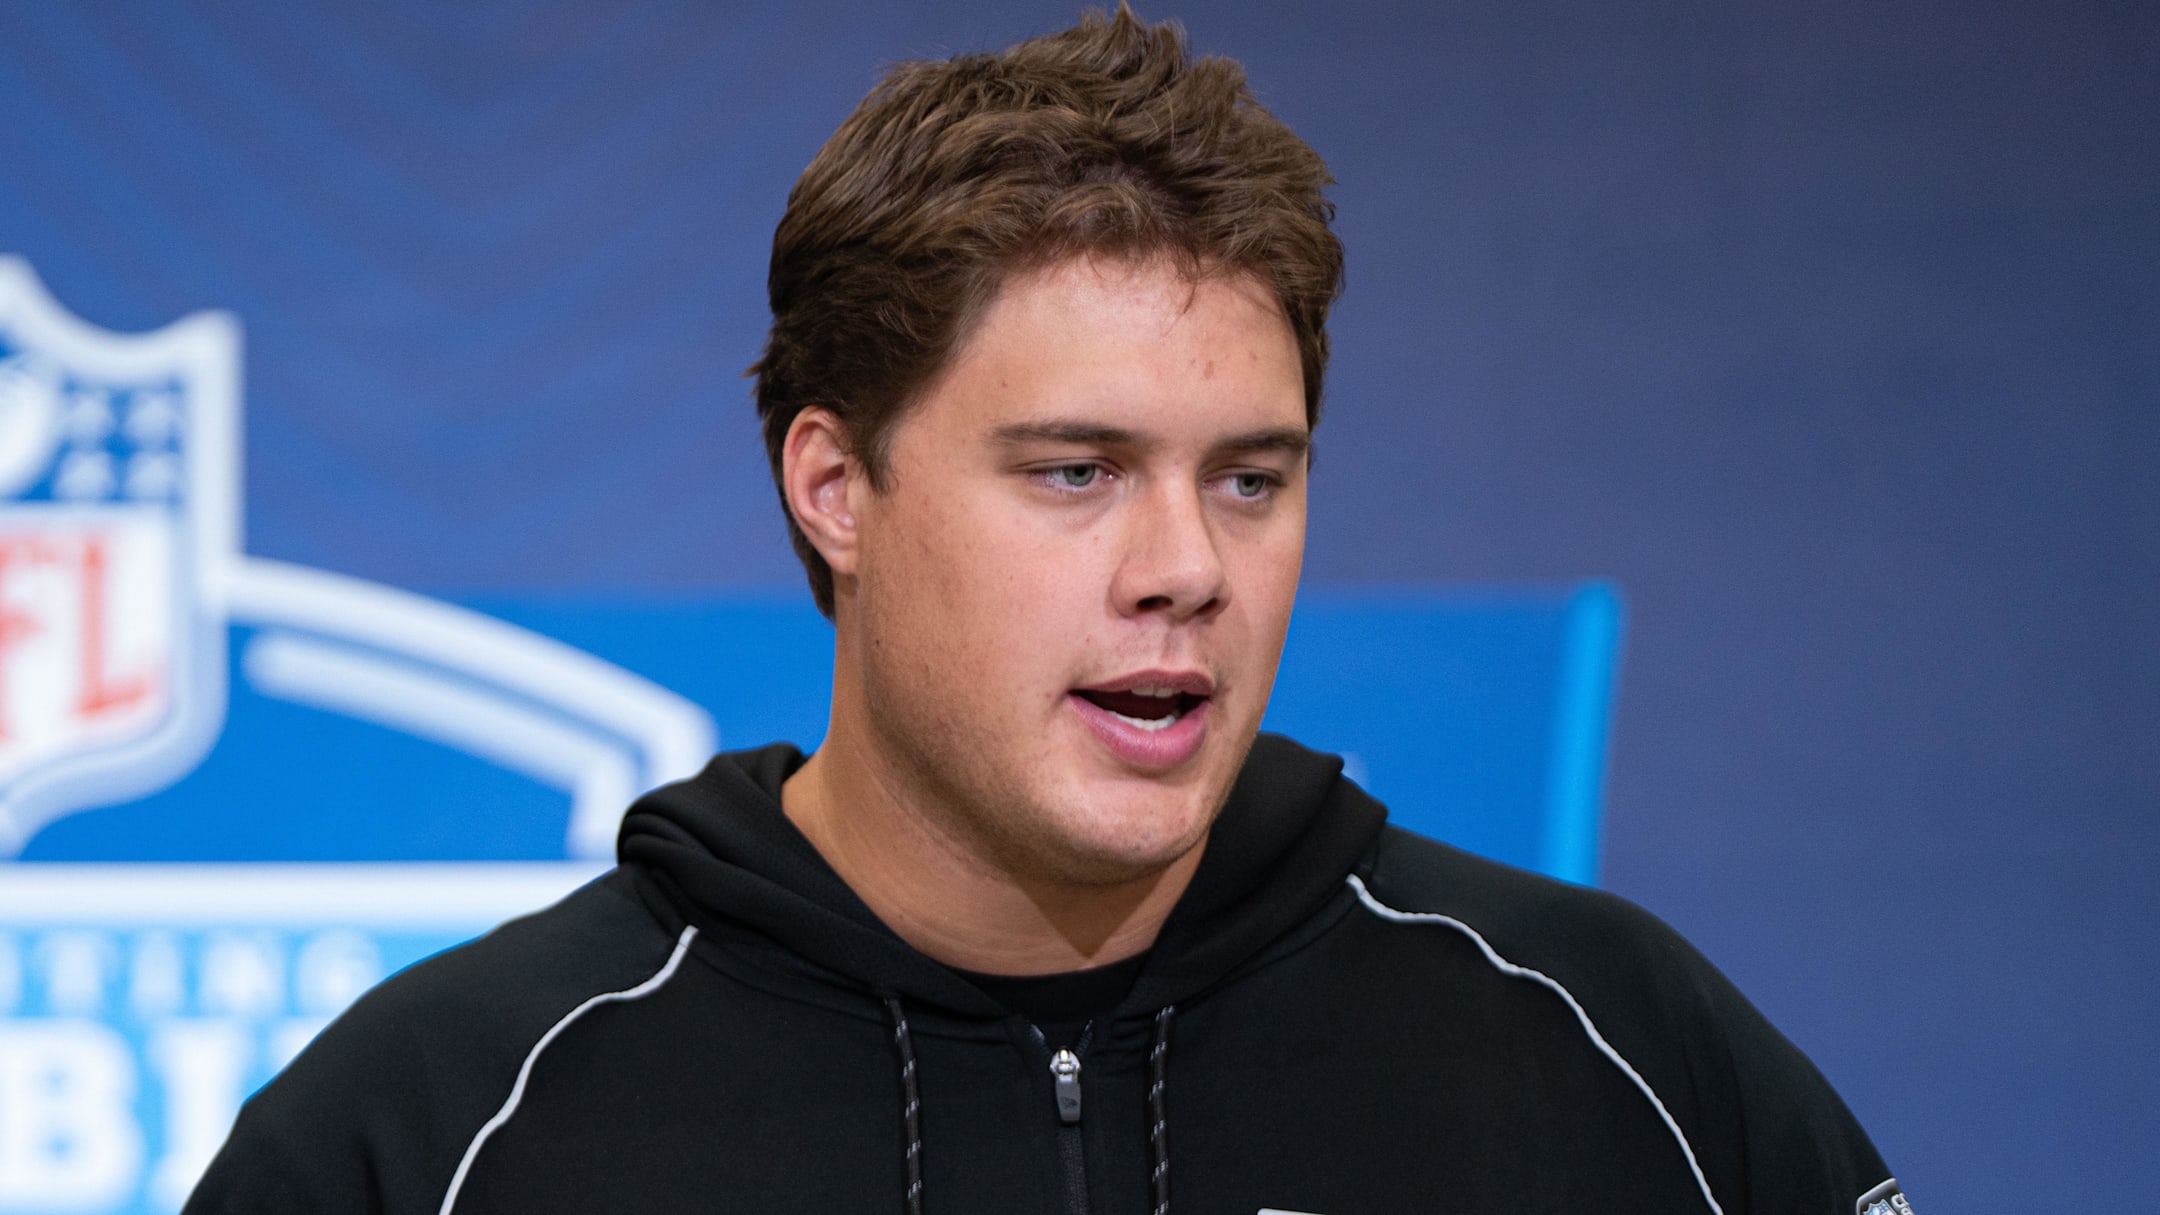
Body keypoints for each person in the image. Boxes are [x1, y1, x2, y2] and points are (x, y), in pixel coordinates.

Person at [186, 7, 1910, 1214]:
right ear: (835, 487)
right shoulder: (441, 1129)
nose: (1187, 565)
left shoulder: (1609, 1052)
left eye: (1251, 478)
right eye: (1077, 471)